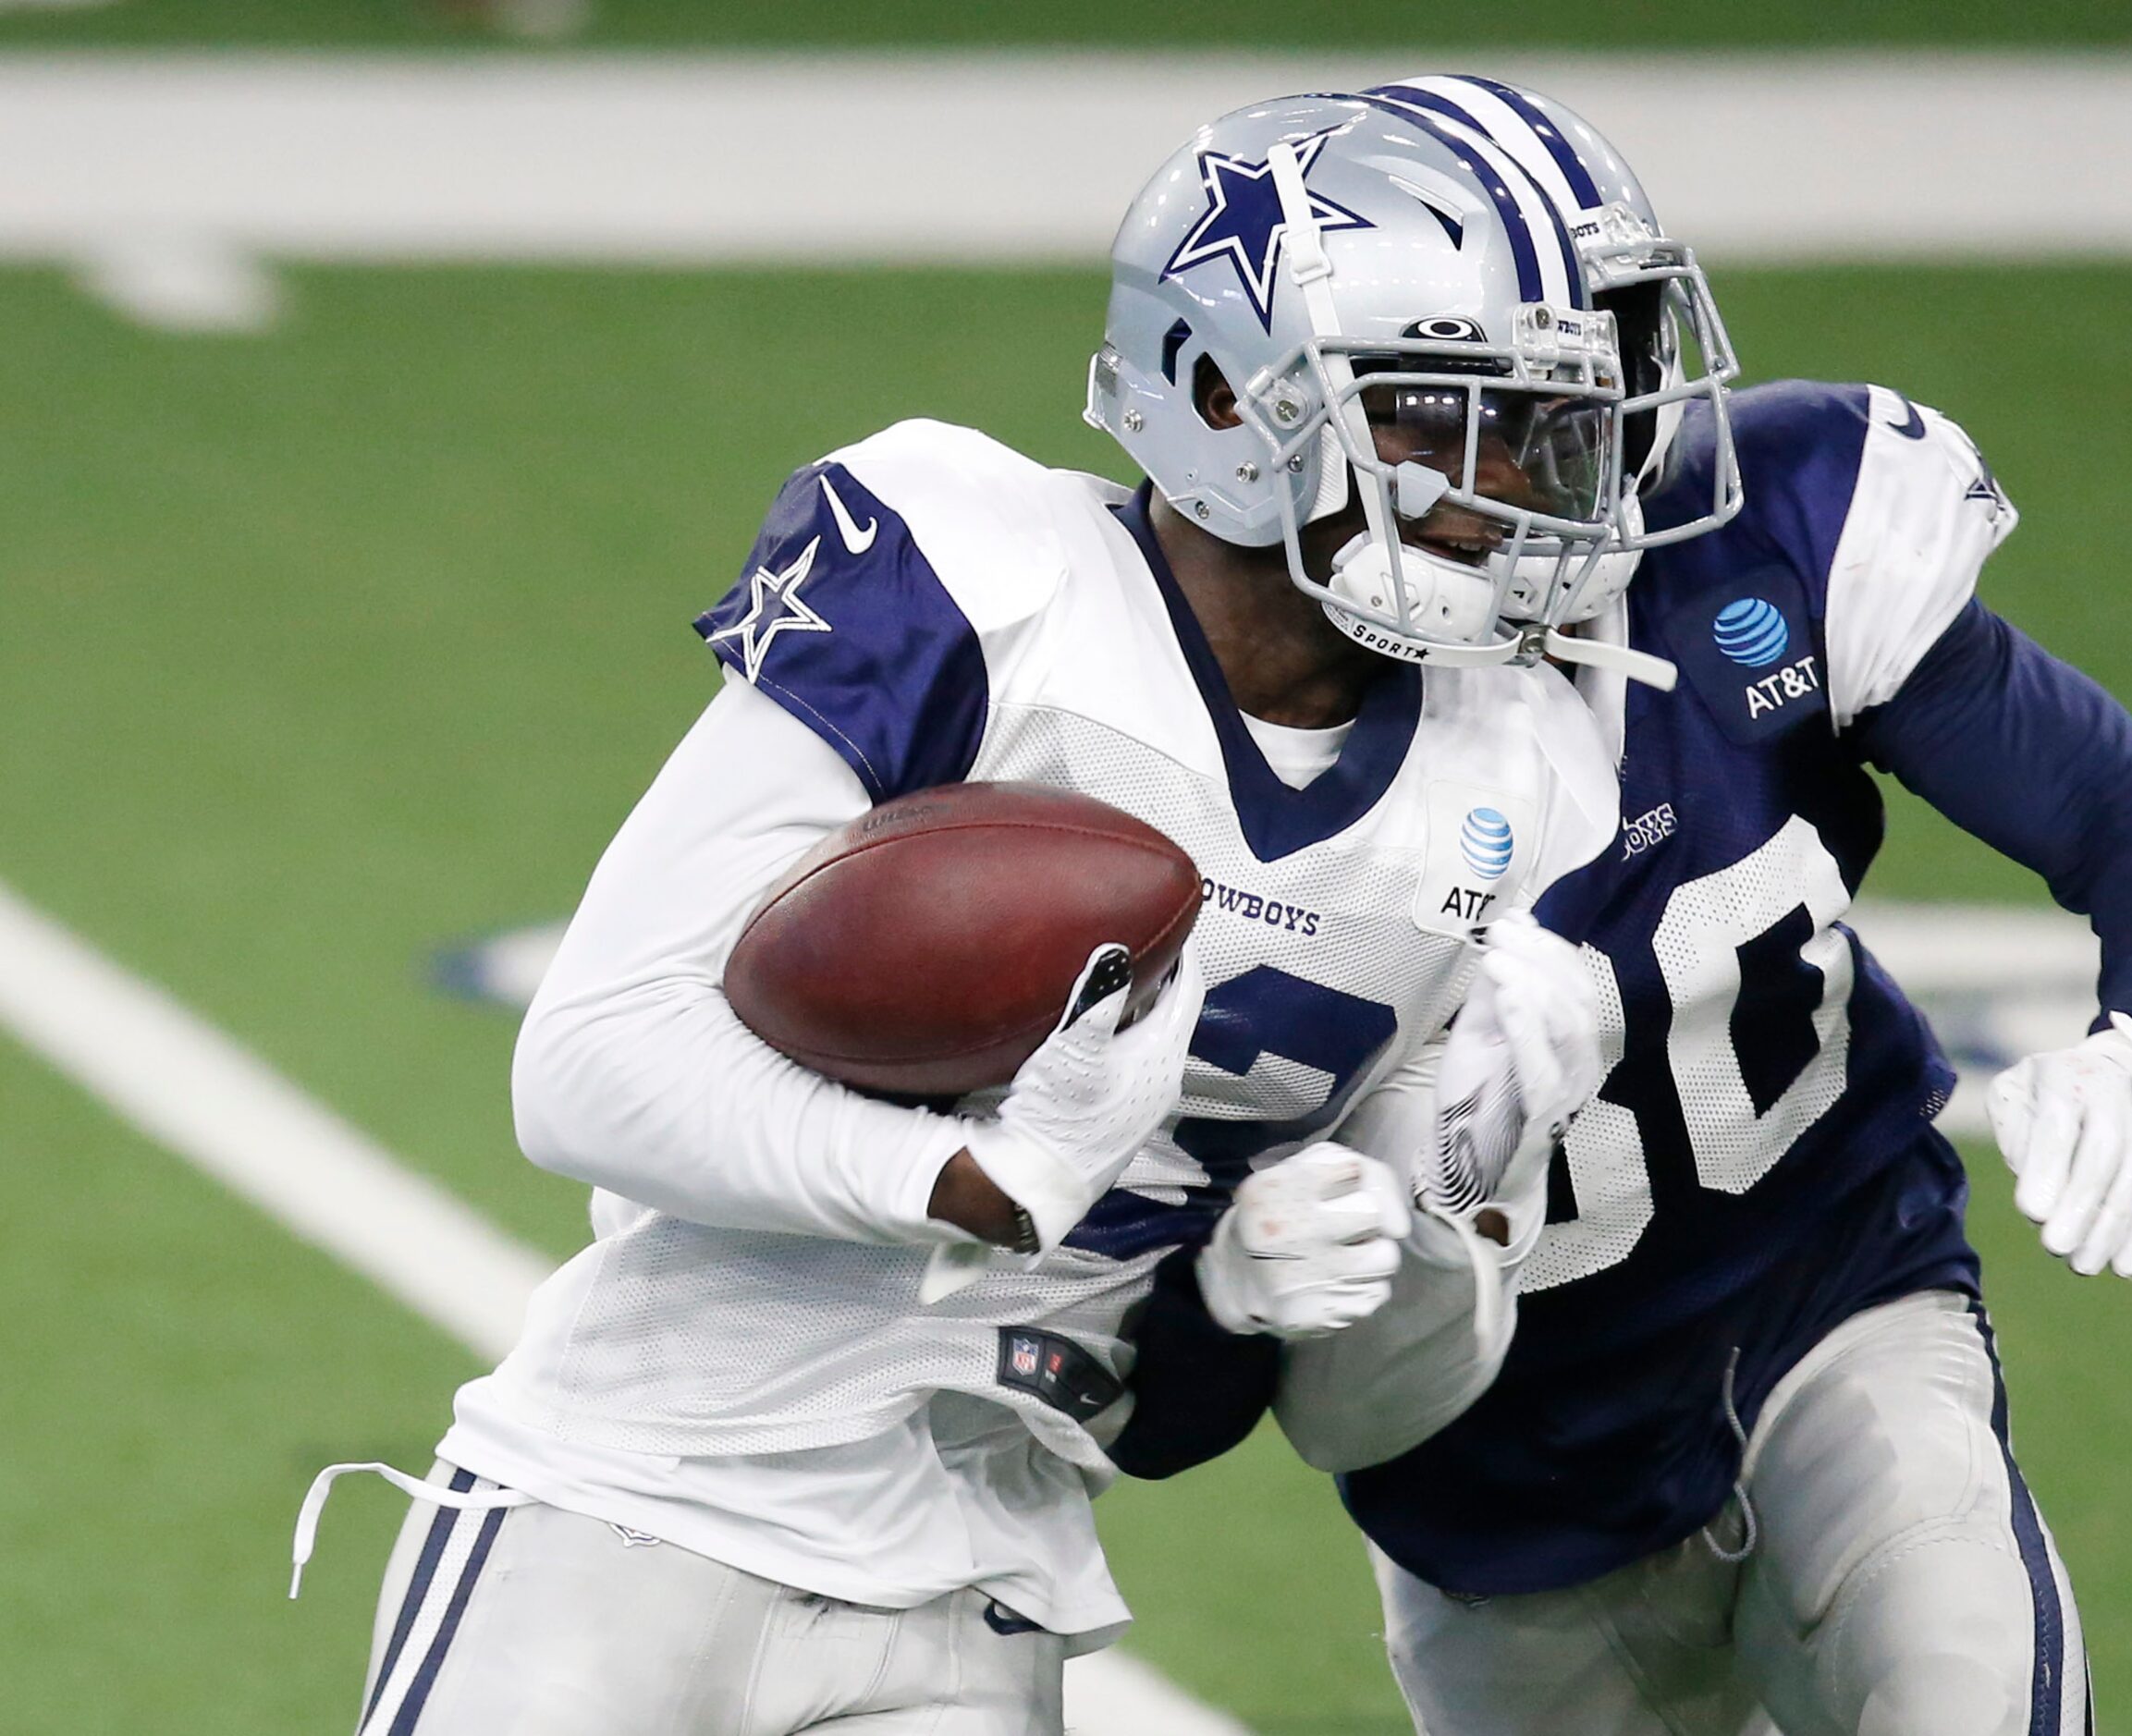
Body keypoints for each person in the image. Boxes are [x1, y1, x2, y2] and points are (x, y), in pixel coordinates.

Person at [291, 89, 1749, 1736]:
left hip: (980, 1584)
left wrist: (1388, 1245)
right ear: (1222, 392)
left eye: (1559, 423)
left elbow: (1353, 1412)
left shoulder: (1533, 783)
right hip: (632, 1506)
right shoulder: (991, 584)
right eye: (1445, 418)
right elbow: (590, 1064)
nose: (1522, 487)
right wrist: (979, 1178)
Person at [1115, 78, 2132, 1736]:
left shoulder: (1752, 548)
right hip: (1499, 1519)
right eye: (1473, 409)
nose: (1576, 455)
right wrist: (1239, 1281)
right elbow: (1160, 1407)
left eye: (1597, 365)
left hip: (1838, 1315)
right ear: (1247, 413)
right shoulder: (1156, 776)